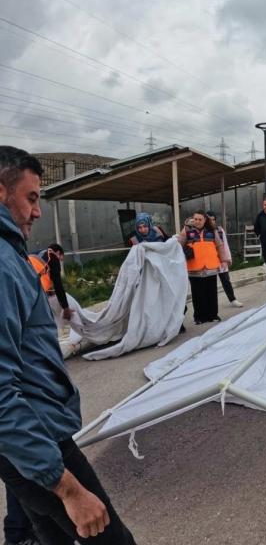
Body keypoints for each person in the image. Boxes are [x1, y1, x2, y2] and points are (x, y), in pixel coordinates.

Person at [0, 145, 136, 543]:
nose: (37, 211)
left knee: (50, 535)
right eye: (31, 198)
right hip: (36, 436)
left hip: (26, 439)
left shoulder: (11, 256)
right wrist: (68, 488)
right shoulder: (2, 266)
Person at [180, 209, 227, 325]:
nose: (197, 221)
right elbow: (179, 244)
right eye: (195, 219)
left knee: (211, 293)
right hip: (194, 268)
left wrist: (224, 260)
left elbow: (220, 246)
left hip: (211, 267)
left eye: (200, 219)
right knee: (197, 294)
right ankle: (199, 317)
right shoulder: (187, 230)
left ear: (205, 220)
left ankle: (213, 315)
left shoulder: (212, 230)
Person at [28, 243, 73, 336]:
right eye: (60, 259)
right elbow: (58, 285)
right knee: (44, 321)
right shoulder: (53, 257)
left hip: (23, 289)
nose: (59, 261)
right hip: (33, 293)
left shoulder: (38, 254)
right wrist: (66, 307)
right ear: (58, 253)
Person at [206, 211, 243, 308]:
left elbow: (225, 245)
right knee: (210, 285)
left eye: (213, 220)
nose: (212, 222)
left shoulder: (219, 230)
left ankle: (233, 299)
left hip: (221, 260)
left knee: (226, 281)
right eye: (209, 220)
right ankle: (210, 305)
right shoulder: (204, 232)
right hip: (210, 262)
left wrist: (228, 258)